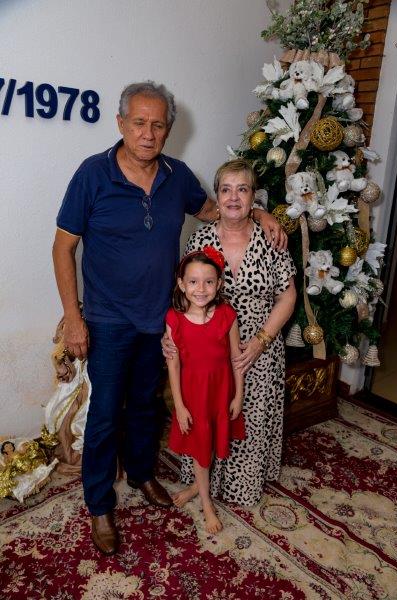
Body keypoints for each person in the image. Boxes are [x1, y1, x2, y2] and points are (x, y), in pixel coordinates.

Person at [52, 81, 286, 555]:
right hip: (108, 320)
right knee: (105, 413)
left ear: (169, 130)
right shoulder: (92, 174)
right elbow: (63, 248)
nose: (148, 133)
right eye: (139, 122)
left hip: (159, 320)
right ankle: (99, 504)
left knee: (145, 405)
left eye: (158, 125)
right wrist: (73, 317)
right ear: (121, 123)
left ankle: (141, 475)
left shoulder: (177, 176)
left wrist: (259, 213)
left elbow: (215, 209)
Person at [166, 158, 296, 508]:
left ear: (254, 197)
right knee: (205, 416)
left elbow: (288, 297)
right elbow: (184, 291)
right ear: (217, 196)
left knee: (246, 417)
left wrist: (260, 342)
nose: (234, 197)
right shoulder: (201, 238)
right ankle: (201, 484)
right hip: (207, 351)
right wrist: (171, 335)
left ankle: (240, 484)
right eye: (226, 189)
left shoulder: (270, 238)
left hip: (258, 347)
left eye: (242, 189)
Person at [166, 247, 245, 533]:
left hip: (220, 393)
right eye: (193, 282)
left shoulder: (227, 315)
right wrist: (180, 406)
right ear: (181, 284)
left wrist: (238, 395)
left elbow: (236, 358)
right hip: (193, 397)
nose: (201, 289)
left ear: (219, 283)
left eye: (209, 282)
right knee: (201, 449)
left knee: (209, 444)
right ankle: (206, 503)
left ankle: (195, 488)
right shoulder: (174, 319)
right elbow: (173, 365)